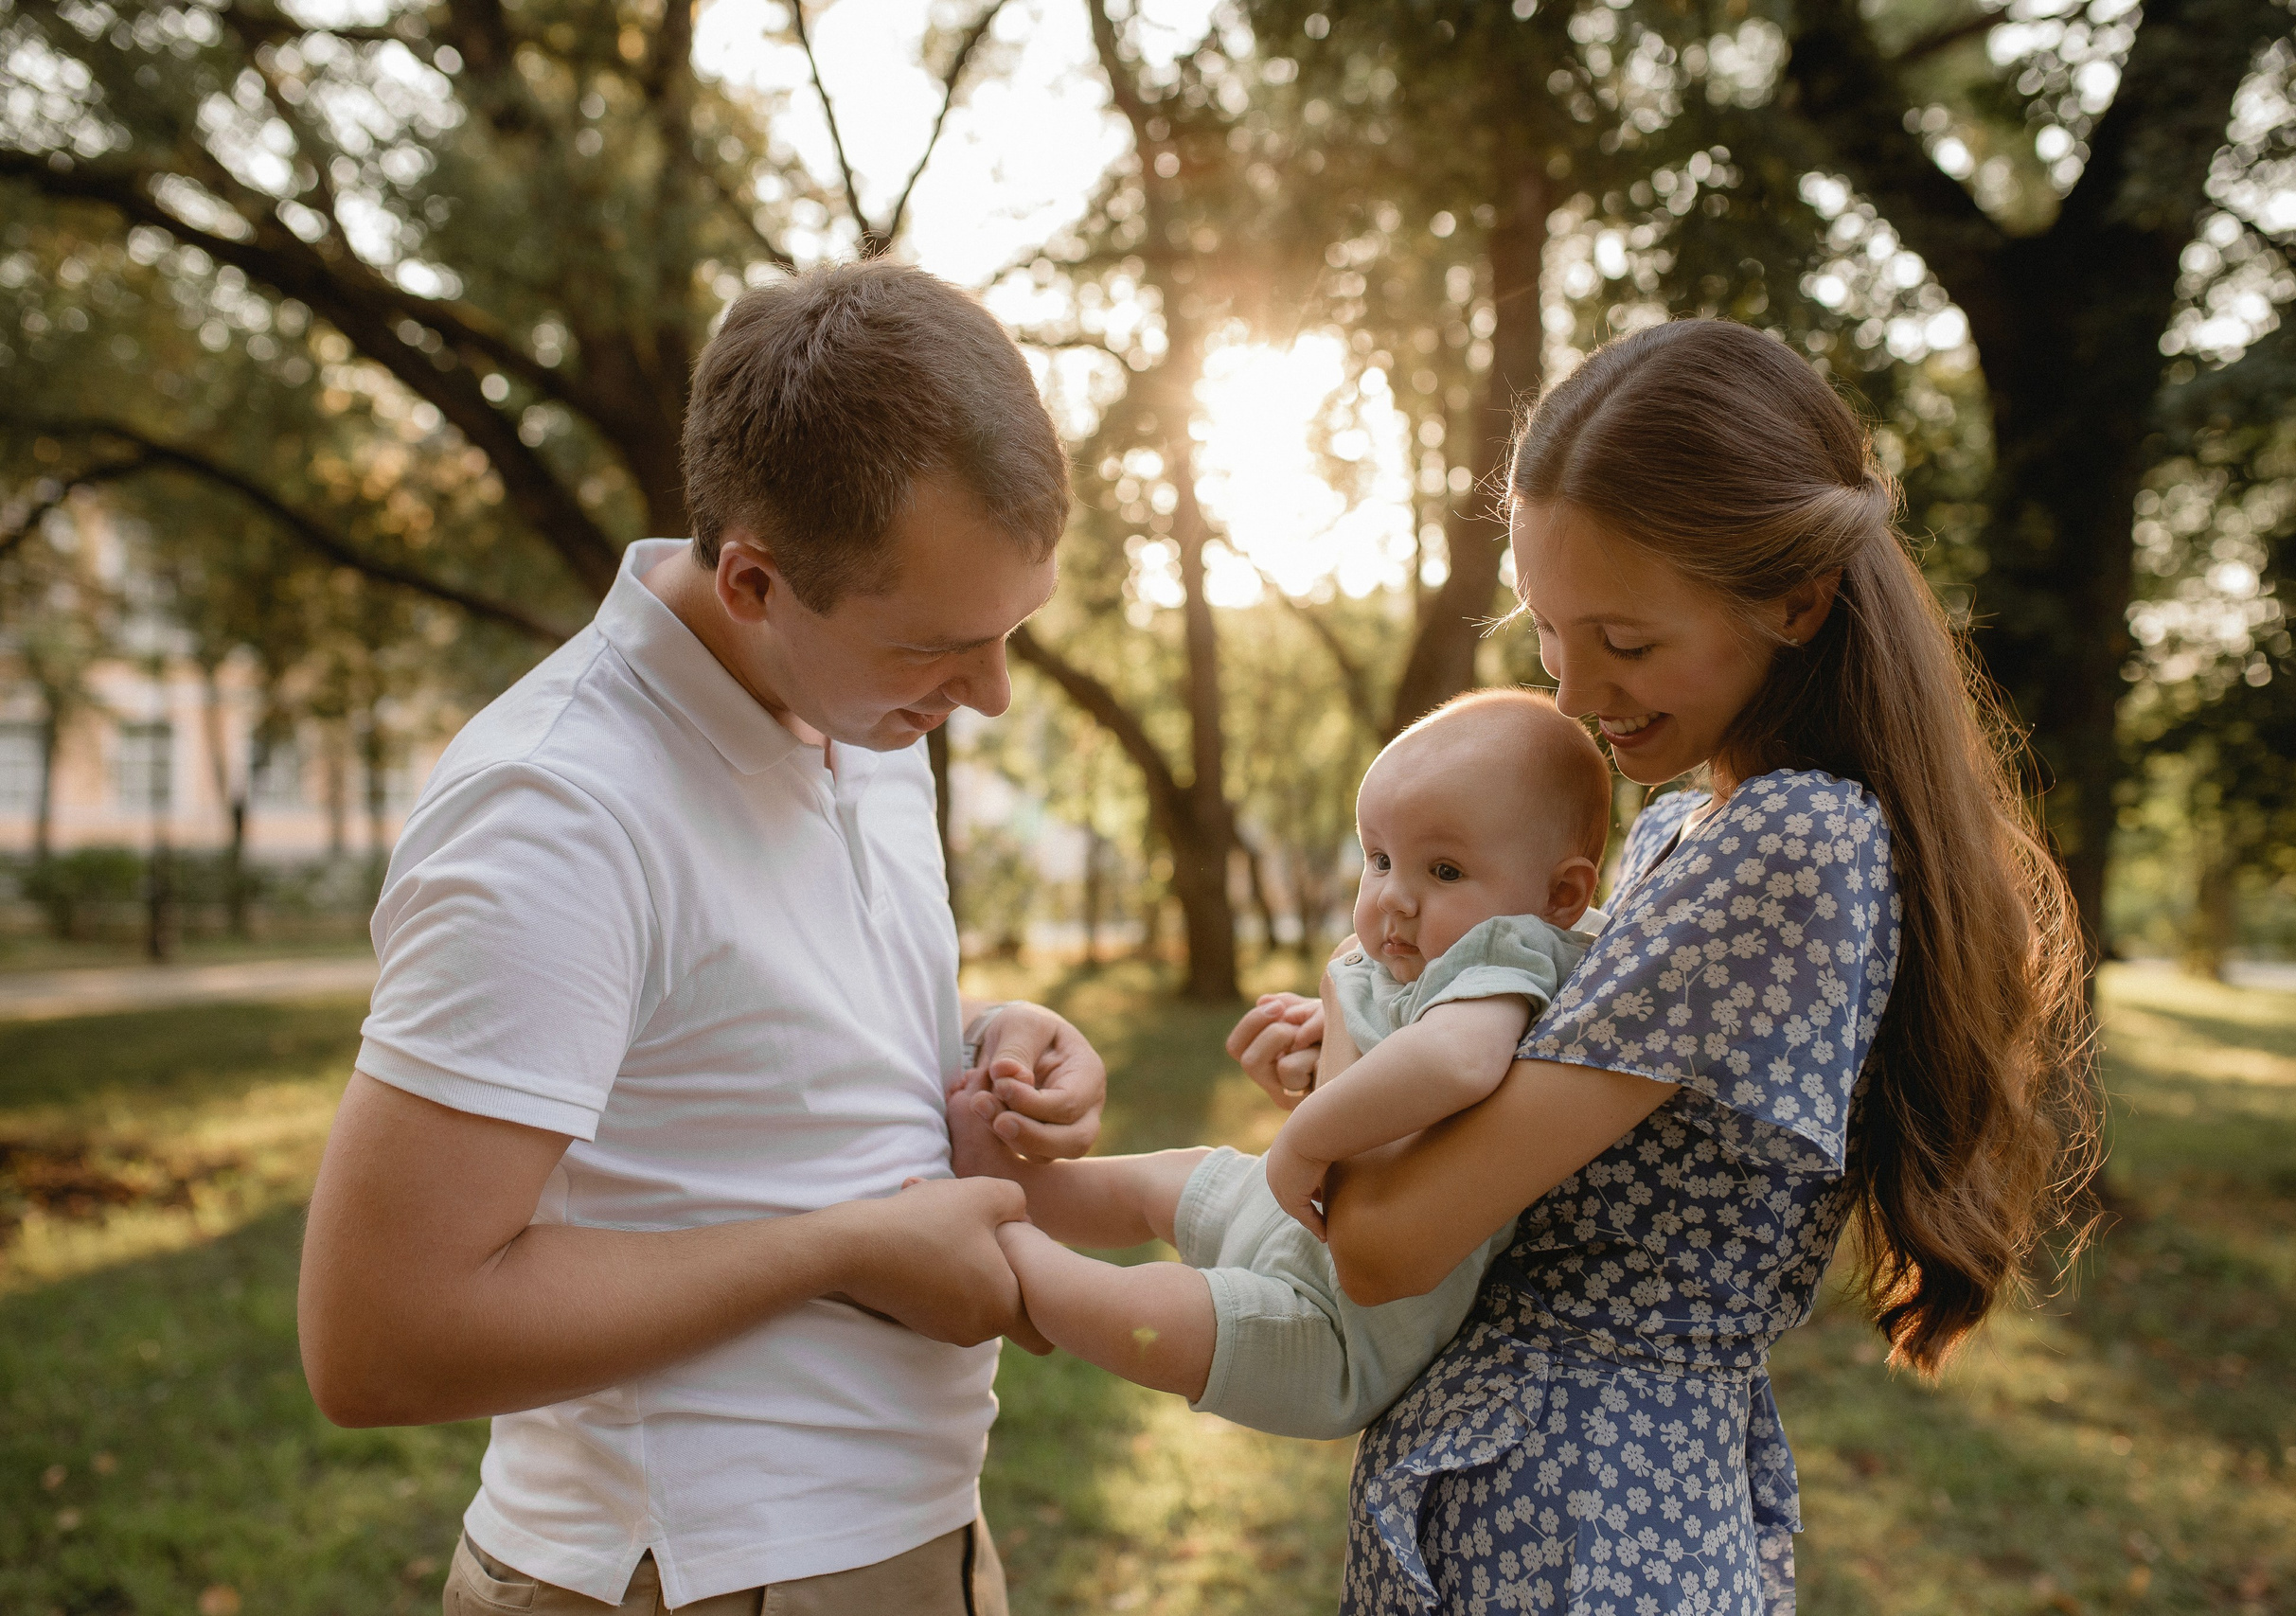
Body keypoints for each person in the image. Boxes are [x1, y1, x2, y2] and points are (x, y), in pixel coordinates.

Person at [1229, 319, 2097, 1614]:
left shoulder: (1790, 844)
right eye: (1549, 635)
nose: (1576, 692)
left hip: (1586, 1516)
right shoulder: (1688, 825)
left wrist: (1355, 1073)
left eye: (1625, 641)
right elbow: (1495, 1127)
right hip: (1551, 1489)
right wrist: (1370, 1045)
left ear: (1794, 599)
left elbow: (1385, 1238)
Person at [296, 260, 1112, 1616]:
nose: (992, 695)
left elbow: (742, 1048)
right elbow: (379, 1334)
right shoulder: (555, 811)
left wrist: (979, 1053)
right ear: (753, 580)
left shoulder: (856, 706)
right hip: (698, 1574)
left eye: (1011, 631)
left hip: (920, 1528)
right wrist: (846, 1244)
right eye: (940, 647)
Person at [948, 690, 1609, 1440]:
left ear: (1560, 894)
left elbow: (1458, 1060)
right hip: (1302, 1224)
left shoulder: (1511, 954)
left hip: (1333, 1324)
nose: (1394, 896)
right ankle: (1023, 1187)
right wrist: (1335, 1018)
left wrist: (1304, 1139)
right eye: (1381, 858)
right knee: (1166, 1177)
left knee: (1158, 1320)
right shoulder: (1450, 961)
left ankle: (1007, 1250)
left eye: (1446, 870)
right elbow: (1410, 1028)